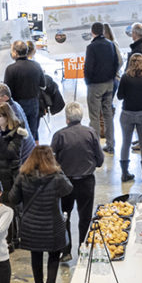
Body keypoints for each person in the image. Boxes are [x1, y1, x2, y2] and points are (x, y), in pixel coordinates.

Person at [9, 146, 74, 283]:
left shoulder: (23, 176)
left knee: (36, 256)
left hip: (31, 224)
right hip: (52, 224)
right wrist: (59, 170)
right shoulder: (57, 177)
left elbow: (13, 198)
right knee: (54, 254)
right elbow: (69, 189)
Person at [51, 105, 104, 259]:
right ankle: (84, 249)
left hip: (65, 182)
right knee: (85, 217)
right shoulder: (91, 133)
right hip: (86, 181)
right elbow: (100, 160)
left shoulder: (59, 136)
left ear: (67, 119)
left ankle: (66, 251)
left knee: (64, 216)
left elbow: (51, 162)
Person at [117, 53, 142, 182]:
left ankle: (125, 173)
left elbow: (119, 96)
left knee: (125, 143)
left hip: (127, 114)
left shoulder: (125, 78)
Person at [83, 22, 121, 153]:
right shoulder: (111, 44)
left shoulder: (91, 47)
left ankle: (95, 148)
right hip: (109, 84)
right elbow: (117, 63)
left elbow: (88, 68)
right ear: (103, 31)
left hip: (95, 85)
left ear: (92, 32)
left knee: (94, 117)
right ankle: (111, 145)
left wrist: (88, 82)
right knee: (108, 115)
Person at [3, 40, 45, 138]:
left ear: (15, 52)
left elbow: (7, 92)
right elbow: (43, 84)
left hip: (18, 104)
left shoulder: (10, 69)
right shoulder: (36, 65)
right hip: (34, 102)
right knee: (33, 132)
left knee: (20, 133)